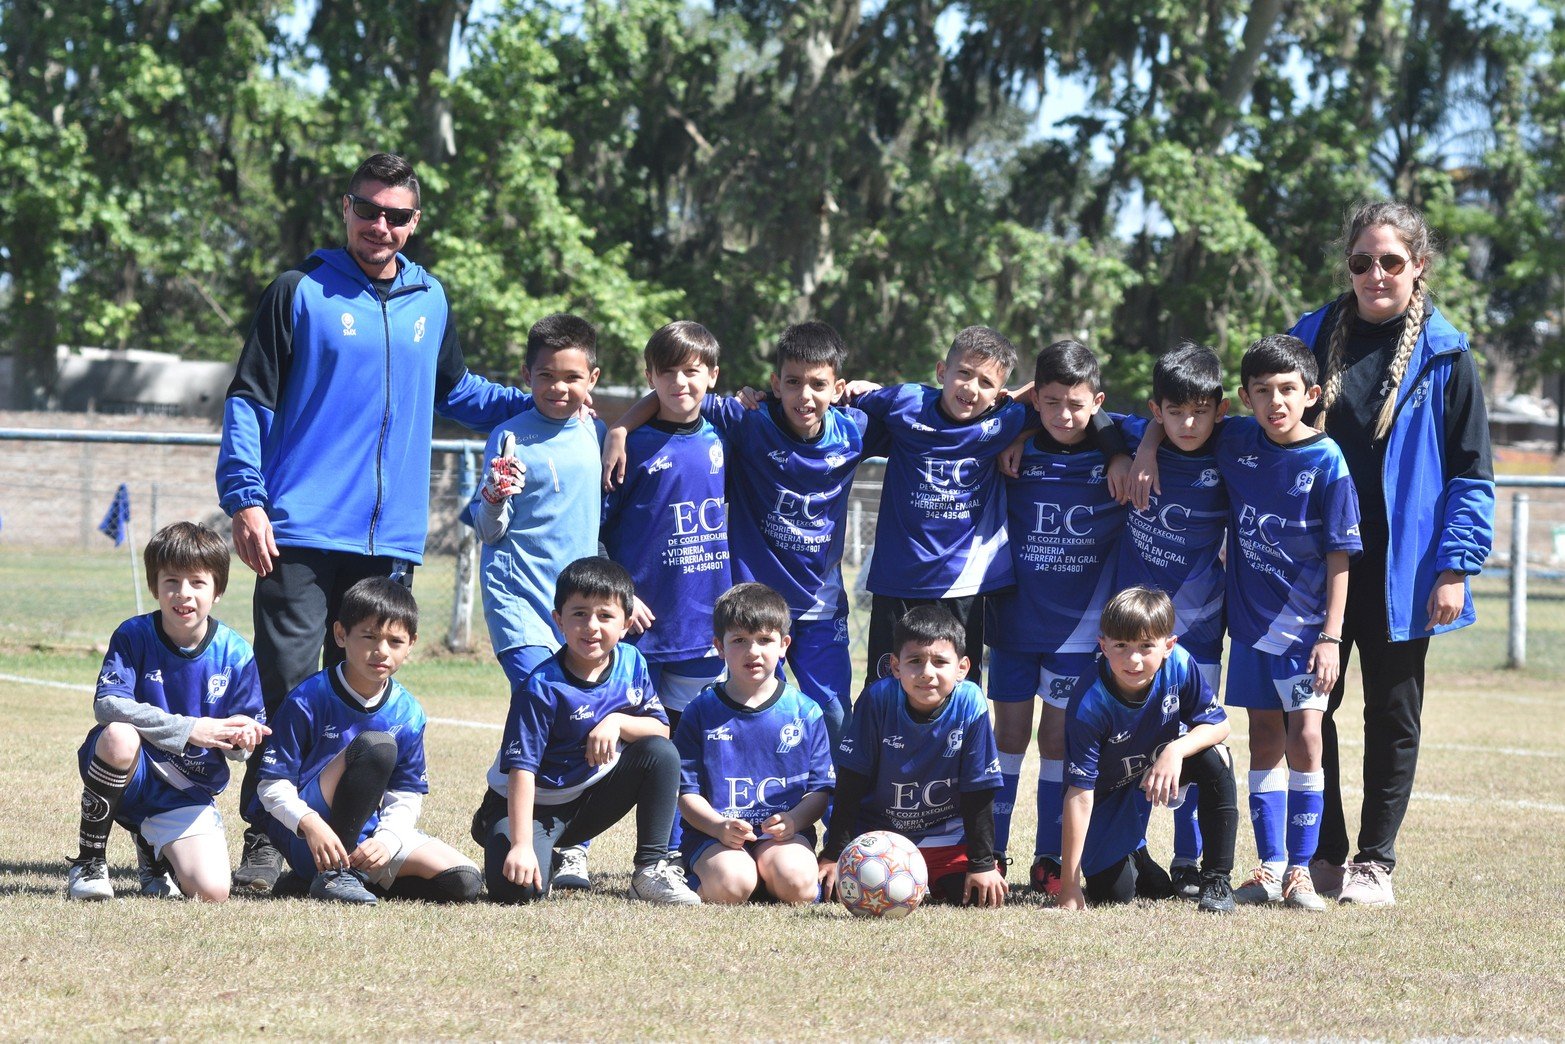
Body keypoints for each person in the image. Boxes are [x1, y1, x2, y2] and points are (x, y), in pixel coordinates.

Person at [217, 152, 529, 892]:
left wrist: (546, 400)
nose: (380, 226)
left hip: (387, 540)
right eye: (368, 210)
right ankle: (269, 838)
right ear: (346, 210)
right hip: (296, 527)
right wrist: (245, 498)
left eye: (396, 215)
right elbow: (249, 400)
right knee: (292, 689)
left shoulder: (431, 300)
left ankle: (350, 846)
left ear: (414, 224)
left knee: (361, 691)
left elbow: (458, 390)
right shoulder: (298, 291)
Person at [1291, 200, 1494, 906]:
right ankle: (1321, 853)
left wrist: (1455, 567)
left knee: (1392, 714)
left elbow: (1471, 473)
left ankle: (1373, 864)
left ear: (1418, 266)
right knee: (1310, 708)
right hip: (1316, 566)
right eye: (1360, 262)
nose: (1374, 274)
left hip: (1402, 571)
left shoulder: (1446, 354)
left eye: (1390, 261)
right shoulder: (1307, 337)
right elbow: (1250, 421)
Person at [604, 320, 873, 747]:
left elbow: (928, 415)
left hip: (820, 602)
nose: (805, 395)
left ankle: (838, 814)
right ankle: (766, 808)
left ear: (836, 388)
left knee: (836, 716)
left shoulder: (856, 427)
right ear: (775, 383)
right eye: (793, 382)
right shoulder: (748, 421)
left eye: (818, 384)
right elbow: (678, 392)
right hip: (755, 605)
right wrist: (619, 428)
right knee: (757, 712)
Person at [1218, 336, 1361, 912]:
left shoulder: (1327, 461)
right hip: (1252, 631)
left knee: (1306, 737)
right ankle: (1270, 867)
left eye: (1287, 390)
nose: (1275, 402)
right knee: (1264, 739)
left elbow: (1340, 556)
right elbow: (1156, 419)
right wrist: (1147, 449)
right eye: (1262, 392)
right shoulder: (1235, 441)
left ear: (1312, 394)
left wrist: (1331, 637)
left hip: (1305, 637)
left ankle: (1302, 871)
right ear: (1245, 398)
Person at [470, 557, 700, 905]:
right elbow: (522, 771)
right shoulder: (541, 687)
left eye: (605, 616)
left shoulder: (631, 661)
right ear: (558, 620)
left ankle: (650, 868)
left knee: (660, 753)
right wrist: (520, 845)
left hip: (585, 801)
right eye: (579, 614)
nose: (591, 626)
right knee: (517, 891)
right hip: (529, 805)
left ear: (626, 623)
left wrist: (618, 722)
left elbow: (661, 730)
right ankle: (504, 836)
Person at [984, 340, 1127, 895]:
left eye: (1075, 403)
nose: (1064, 415)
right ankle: (992, 851)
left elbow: (1151, 425)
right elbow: (989, 408)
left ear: (1097, 402)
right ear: (1033, 401)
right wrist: (1018, 427)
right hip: (1015, 620)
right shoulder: (1011, 445)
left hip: (1079, 628)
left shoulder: (1118, 441)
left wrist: (1118, 454)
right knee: (1010, 734)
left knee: (1060, 739)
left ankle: (1048, 857)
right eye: (1049, 403)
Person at [467, 313, 604, 890]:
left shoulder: (596, 432)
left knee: (583, 710)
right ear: (526, 375)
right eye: (545, 375)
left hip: (574, 606)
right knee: (546, 698)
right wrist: (495, 495)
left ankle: (567, 838)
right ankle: (519, 818)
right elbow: (488, 527)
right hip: (518, 596)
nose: (558, 387)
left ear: (592, 378)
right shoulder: (511, 435)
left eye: (571, 376)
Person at [65, 522, 268, 902]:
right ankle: (89, 862)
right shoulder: (133, 634)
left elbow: (242, 743)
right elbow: (107, 704)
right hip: (133, 769)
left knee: (212, 891)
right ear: (155, 586)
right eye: (171, 581)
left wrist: (240, 740)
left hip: (186, 787)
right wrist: (189, 728)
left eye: (197, 582)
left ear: (218, 590)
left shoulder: (236, 653)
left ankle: (151, 851)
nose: (183, 594)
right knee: (119, 736)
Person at [252, 578, 482, 905]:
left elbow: (406, 793)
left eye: (395, 640)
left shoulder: (409, 712)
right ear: (341, 634)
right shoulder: (308, 698)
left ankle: (325, 880)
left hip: (368, 835)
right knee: (376, 746)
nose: (382, 651)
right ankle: (331, 875)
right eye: (369, 637)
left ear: (411, 643)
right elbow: (271, 786)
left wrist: (388, 840)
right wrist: (309, 822)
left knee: (464, 880)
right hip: (310, 836)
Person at [844, 327, 1032, 692]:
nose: (971, 388)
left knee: (958, 693)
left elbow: (1063, 390)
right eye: (963, 373)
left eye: (985, 382)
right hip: (898, 578)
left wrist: (1021, 430)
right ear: (941, 371)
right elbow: (837, 399)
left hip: (962, 585)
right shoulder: (905, 402)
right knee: (886, 691)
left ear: (1000, 394)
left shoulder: (1005, 420)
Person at [1117, 343, 1231, 896]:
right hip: (1132, 634)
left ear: (1220, 409)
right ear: (1154, 409)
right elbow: (1053, 410)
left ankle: (1190, 860)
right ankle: (1130, 850)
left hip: (1201, 627)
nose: (1189, 423)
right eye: (1175, 412)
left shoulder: (1235, 447)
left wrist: (1149, 440)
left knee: (1196, 740)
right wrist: (1140, 446)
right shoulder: (1129, 436)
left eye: (1201, 411)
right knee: (1126, 743)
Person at [1058, 586, 1238, 913]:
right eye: (1122, 646)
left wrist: (1176, 750)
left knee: (1217, 757)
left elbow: (1221, 724)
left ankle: (1216, 880)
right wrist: (1068, 888)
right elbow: (1080, 793)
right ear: (1103, 646)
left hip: (1152, 768)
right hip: (1107, 794)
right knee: (1113, 894)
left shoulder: (1180, 665)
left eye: (1146, 646)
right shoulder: (1090, 702)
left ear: (1169, 646)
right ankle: (1134, 853)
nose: (1134, 659)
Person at [818, 606, 1008, 909]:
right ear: (895, 666)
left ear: (962, 668)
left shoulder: (971, 703)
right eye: (915, 661)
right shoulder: (878, 698)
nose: (927, 673)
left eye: (940, 662)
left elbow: (979, 789)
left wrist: (982, 863)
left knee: (975, 899)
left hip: (945, 841)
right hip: (879, 841)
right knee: (827, 896)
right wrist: (834, 852)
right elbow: (851, 780)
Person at [673, 583, 835, 904]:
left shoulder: (805, 711)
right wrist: (719, 826)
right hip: (715, 836)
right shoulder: (700, 711)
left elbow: (820, 790)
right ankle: (699, 877)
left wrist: (794, 821)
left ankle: (767, 875)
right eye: (739, 641)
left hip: (782, 836)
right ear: (719, 647)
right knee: (732, 884)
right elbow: (685, 794)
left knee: (799, 886)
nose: (753, 651)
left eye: (764, 640)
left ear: (784, 644)